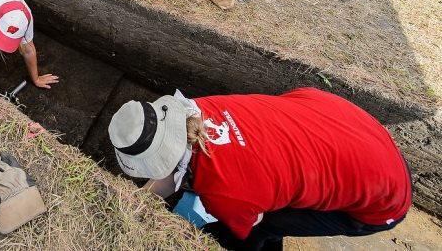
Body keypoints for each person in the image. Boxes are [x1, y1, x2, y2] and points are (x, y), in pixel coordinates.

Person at [108, 87, 412, 250]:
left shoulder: (228, 195)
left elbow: (247, 222)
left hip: (384, 199)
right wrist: (138, 205)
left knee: (251, 230)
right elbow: (170, 171)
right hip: (358, 133)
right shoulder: (202, 107)